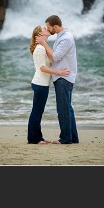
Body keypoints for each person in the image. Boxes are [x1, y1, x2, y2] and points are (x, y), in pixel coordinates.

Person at [28, 25, 70, 144]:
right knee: (36, 111)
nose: (47, 29)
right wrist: (59, 72)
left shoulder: (43, 47)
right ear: (40, 35)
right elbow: (42, 68)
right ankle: (33, 139)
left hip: (42, 84)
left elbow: (53, 59)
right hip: (40, 83)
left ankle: (38, 137)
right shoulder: (40, 48)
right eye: (44, 29)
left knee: (38, 111)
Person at [46, 15, 79, 144]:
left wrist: (43, 43)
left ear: (55, 26)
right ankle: (73, 137)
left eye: (49, 27)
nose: (48, 30)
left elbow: (55, 56)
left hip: (63, 77)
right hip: (64, 77)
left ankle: (65, 139)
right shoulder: (62, 36)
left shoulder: (66, 38)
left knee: (63, 109)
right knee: (68, 108)